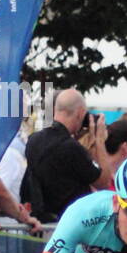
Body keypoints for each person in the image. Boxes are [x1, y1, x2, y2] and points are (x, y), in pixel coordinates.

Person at [20, 90, 115, 222]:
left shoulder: (34, 140)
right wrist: (99, 141)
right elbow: (103, 183)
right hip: (71, 225)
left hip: (43, 222)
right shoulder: (71, 147)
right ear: (81, 112)